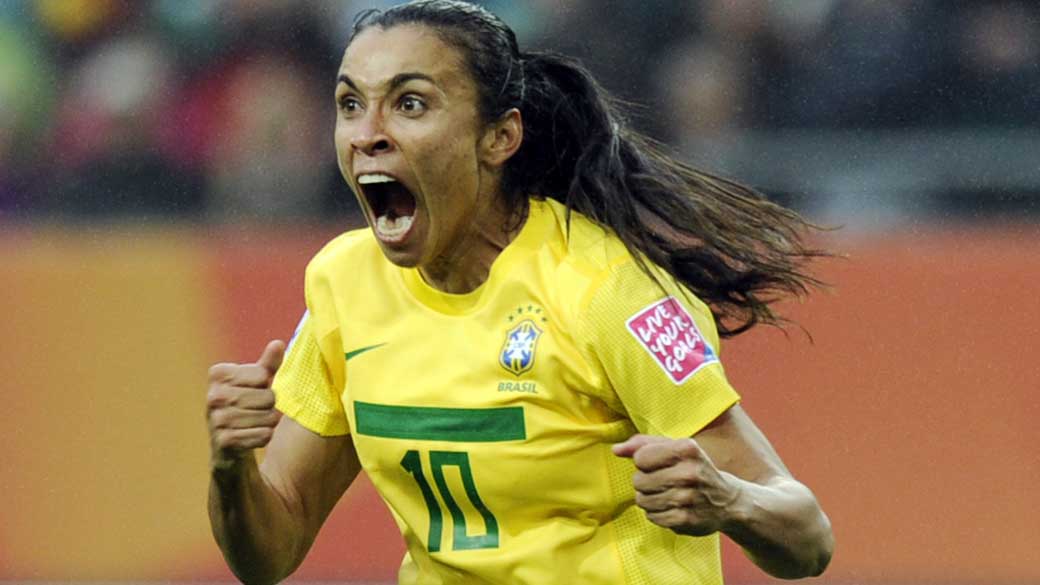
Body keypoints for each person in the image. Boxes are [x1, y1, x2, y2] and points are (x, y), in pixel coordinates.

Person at [206, 1, 834, 584]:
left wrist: (731, 502)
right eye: (349, 105)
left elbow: (807, 537)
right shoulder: (343, 283)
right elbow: (271, 551)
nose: (367, 132)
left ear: (500, 137)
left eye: (411, 104)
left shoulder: (610, 292)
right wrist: (233, 468)